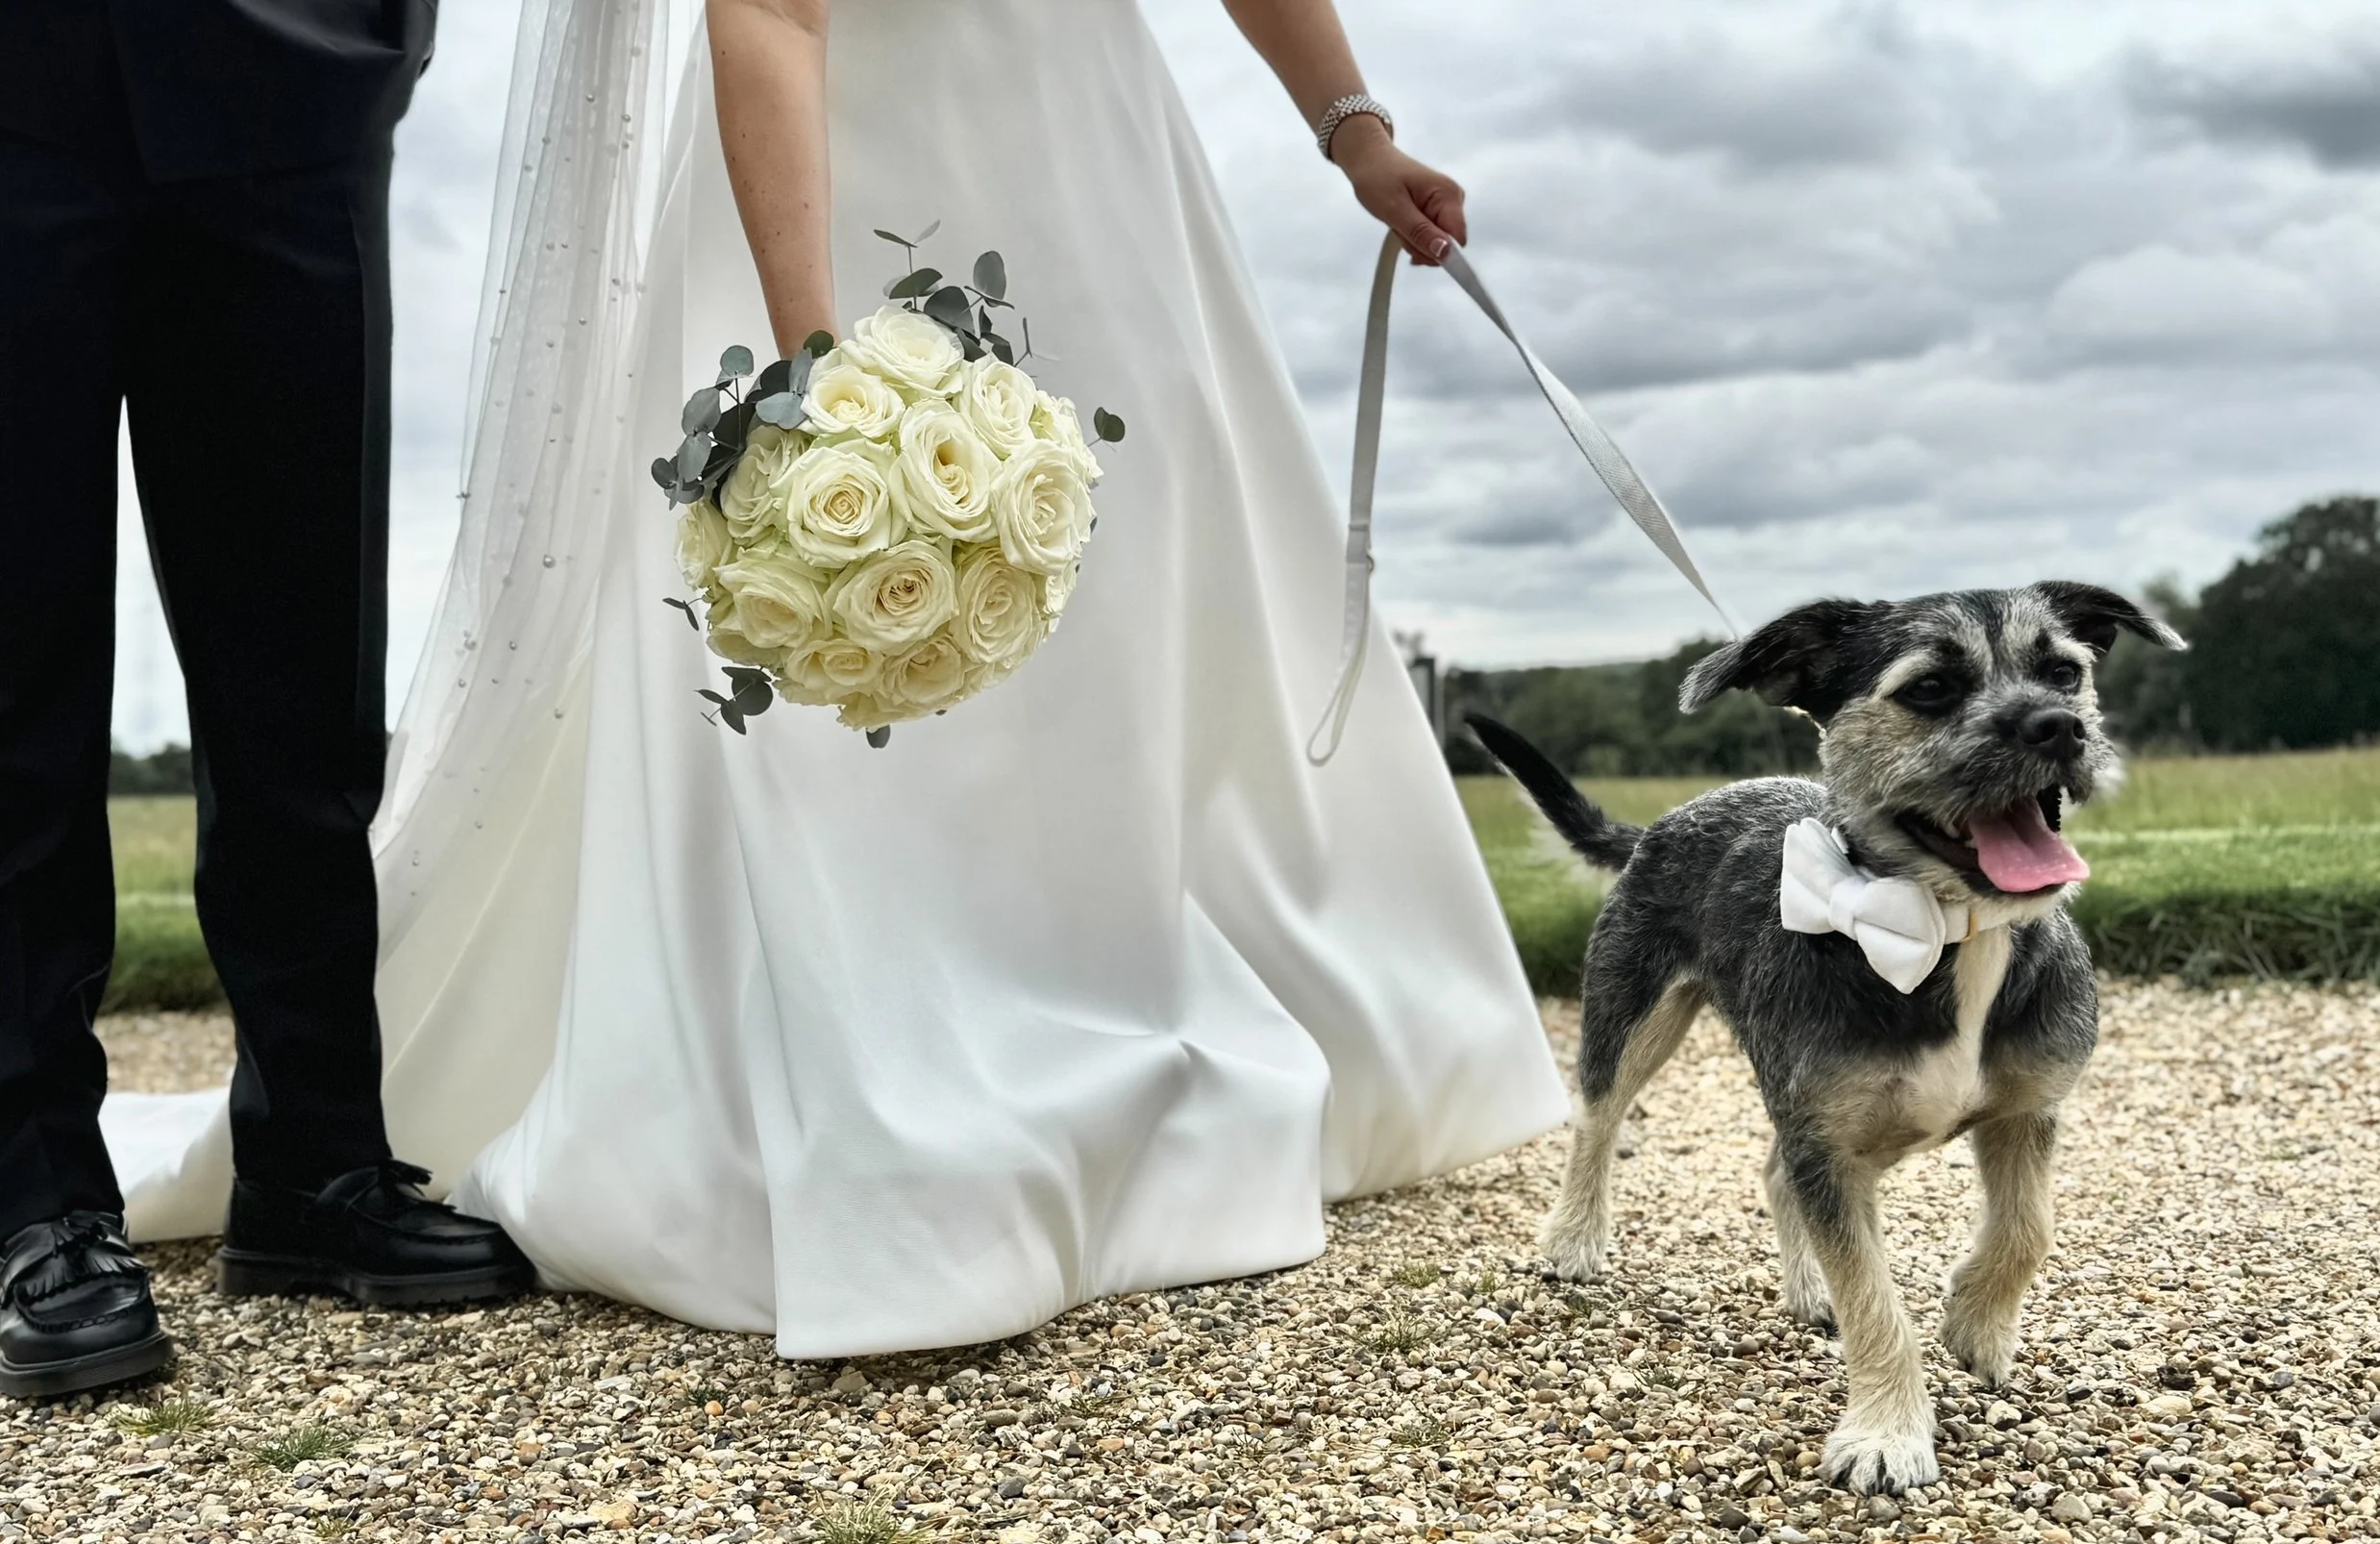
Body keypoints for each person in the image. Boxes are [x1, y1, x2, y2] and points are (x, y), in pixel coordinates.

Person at [102, 0, 1567, 1358]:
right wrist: (826, 374)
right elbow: (767, 10)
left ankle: (1131, 1003)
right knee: (856, 663)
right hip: (831, 173)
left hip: (1099, 154)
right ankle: (898, 1075)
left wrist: (1353, 128)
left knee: (1149, 578)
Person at [0, 0, 533, 1400]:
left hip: (290, 74)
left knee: (303, 674)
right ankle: (37, 1194)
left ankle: (314, 1160)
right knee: (17, 678)